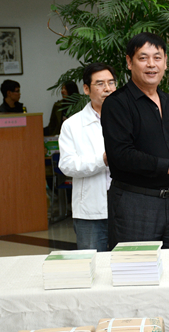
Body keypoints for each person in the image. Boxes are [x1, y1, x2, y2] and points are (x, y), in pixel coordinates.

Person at [102, 32, 169, 249]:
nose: (151, 64)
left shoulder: (167, 100)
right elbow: (121, 155)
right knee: (136, 267)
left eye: (157, 57)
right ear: (129, 62)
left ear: (165, 62)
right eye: (143, 58)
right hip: (135, 202)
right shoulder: (116, 103)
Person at [58, 63, 116, 252]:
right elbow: (67, 165)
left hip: (125, 209)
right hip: (90, 212)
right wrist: (102, 160)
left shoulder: (128, 119)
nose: (107, 88)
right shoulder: (72, 125)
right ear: (86, 89)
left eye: (111, 83)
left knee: (126, 263)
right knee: (93, 264)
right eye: (100, 83)